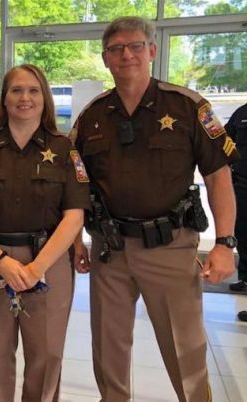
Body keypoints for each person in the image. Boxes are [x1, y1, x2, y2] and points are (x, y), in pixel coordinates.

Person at [72, 16, 238, 401]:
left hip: (170, 246)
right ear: (105, 59)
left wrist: (225, 242)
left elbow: (219, 177)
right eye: (116, 49)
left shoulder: (186, 107)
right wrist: (76, 241)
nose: (126, 54)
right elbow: (76, 185)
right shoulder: (92, 117)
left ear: (152, 50)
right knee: (108, 351)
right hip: (110, 251)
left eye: (134, 46)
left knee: (186, 351)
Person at [0, 64, 89, 401]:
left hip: (48, 260)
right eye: (16, 90)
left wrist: (36, 268)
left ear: (44, 97)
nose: (24, 98)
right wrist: (1, 261)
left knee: (46, 355)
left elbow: (74, 216)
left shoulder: (63, 149)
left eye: (33, 90)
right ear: (4, 98)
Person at [225, 103, 247, 320]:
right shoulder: (241, 113)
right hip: (241, 186)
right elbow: (223, 139)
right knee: (243, 235)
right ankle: (245, 278)